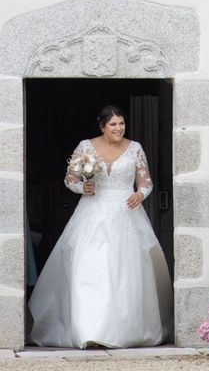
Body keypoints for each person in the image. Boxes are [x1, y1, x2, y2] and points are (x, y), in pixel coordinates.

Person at [28, 105, 173, 348]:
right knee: (90, 267)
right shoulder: (86, 147)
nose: (119, 128)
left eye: (122, 124)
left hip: (126, 214)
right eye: (113, 124)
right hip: (92, 213)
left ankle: (125, 330)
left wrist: (140, 194)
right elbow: (70, 178)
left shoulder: (135, 148)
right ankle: (89, 329)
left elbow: (146, 182)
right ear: (102, 126)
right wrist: (81, 187)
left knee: (125, 271)